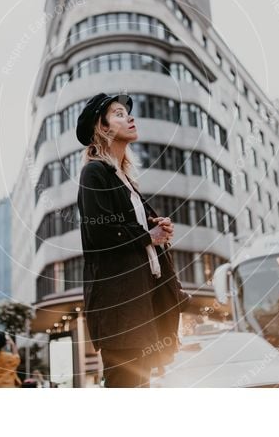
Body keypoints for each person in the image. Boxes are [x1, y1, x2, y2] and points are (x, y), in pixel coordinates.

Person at [75, 92, 190, 388]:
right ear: (102, 128)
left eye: (127, 112)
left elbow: (130, 230)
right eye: (118, 113)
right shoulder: (94, 173)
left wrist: (156, 227)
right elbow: (101, 231)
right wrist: (146, 235)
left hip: (141, 305)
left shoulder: (124, 180)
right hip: (120, 308)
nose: (130, 117)